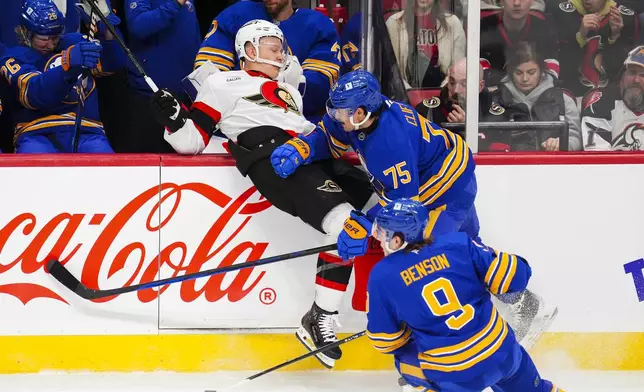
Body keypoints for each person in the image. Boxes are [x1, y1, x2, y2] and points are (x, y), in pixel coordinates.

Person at [271, 69, 558, 353]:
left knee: (434, 261)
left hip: (444, 192)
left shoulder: (389, 143)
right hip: (448, 173)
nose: (336, 117)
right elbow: (328, 133)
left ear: (361, 113)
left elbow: (405, 213)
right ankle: (523, 302)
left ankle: (450, 340)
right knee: (467, 250)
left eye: (342, 113)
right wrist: (303, 148)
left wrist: (362, 225)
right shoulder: (362, 116)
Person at [149, 19, 376, 369]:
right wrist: (174, 119)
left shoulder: (289, 90)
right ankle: (321, 317)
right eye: (272, 44)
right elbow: (191, 141)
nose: (281, 50)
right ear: (249, 50)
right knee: (347, 226)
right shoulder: (221, 82)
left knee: (384, 210)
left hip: (307, 152)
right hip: (272, 159)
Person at [366, 198, 564, 392]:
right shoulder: (457, 242)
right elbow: (517, 276)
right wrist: (487, 268)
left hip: (455, 378)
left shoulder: (382, 276)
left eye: (382, 233)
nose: (380, 240)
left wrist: (414, 328)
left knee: (403, 359)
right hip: (502, 354)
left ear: (397, 239)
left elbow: (385, 342)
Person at [0, 0, 124, 153]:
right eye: (44, 39)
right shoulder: (13, 58)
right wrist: (68, 65)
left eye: (55, 37)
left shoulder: (75, 42)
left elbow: (114, 63)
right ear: (26, 33)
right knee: (35, 163)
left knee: (105, 163)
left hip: (86, 131)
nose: (51, 44)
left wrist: (106, 27)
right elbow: (35, 94)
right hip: (36, 132)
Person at [194, 0, 341, 119]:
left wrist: (291, 82)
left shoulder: (318, 26)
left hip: (293, 128)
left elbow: (322, 87)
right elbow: (205, 74)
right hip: (233, 124)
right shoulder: (237, 15)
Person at [120, 0, 201, 153]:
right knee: (147, 168)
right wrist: (175, 3)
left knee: (185, 167)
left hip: (185, 98)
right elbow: (139, 26)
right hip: (150, 98)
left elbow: (192, 37)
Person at [495, 41, 582, 151]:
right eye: (519, 73)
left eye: (531, 72)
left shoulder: (563, 100)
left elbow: (576, 138)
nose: (525, 78)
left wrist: (562, 144)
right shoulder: (496, 100)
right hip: (508, 166)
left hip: (553, 165)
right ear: (511, 72)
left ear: (541, 71)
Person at [553, 0, 639, 97]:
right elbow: (561, 66)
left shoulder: (626, 17)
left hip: (610, 96)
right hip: (571, 94)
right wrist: (581, 35)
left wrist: (615, 36)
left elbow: (622, 72)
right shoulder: (562, 12)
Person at [386, 0, 466, 89]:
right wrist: (408, 93)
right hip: (405, 92)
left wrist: (443, 91)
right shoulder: (395, 22)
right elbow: (391, 67)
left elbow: (458, 68)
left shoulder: (452, 23)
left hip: (443, 90)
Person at [480, 0, 559, 87]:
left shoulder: (545, 30)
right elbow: (477, 71)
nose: (516, 3)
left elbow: (551, 70)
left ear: (532, 1)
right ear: (501, 1)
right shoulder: (482, 28)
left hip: (534, 96)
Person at [581, 45, 644, 150]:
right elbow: (597, 156)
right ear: (624, 74)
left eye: (643, 75)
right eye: (632, 73)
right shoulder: (601, 102)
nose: (636, 80)